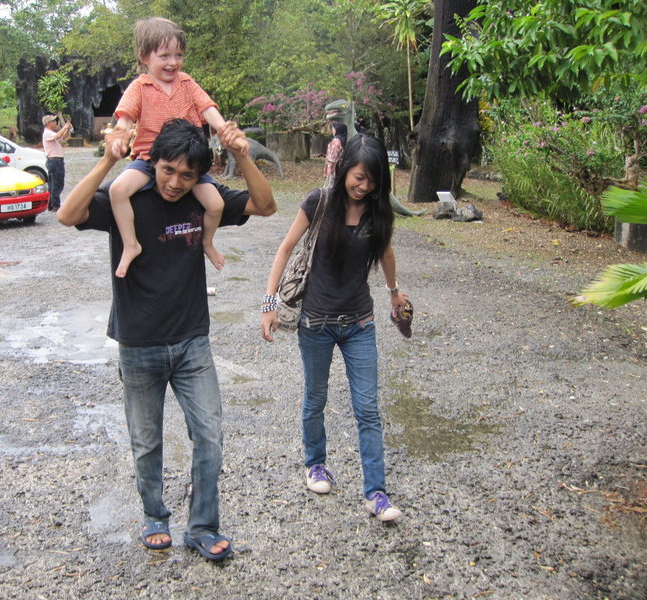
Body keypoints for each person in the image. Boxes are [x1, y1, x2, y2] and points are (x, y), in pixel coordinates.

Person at [57, 118, 276, 561]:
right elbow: (67, 214)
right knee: (147, 441)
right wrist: (106, 161)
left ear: (200, 176)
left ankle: (202, 526)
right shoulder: (129, 198)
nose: (175, 183)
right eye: (167, 171)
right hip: (138, 343)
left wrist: (242, 154)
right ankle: (155, 516)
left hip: (192, 341)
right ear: (153, 162)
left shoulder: (203, 200)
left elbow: (265, 205)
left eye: (187, 175)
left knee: (210, 437)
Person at [260, 133, 407, 522]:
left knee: (368, 409)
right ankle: (315, 464)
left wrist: (394, 292)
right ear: (344, 170)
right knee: (316, 399)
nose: (364, 186)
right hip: (316, 323)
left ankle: (376, 492)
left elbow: (386, 252)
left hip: (360, 323)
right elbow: (284, 248)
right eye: (359, 177)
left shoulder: (377, 213)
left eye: (373, 181)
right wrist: (269, 304)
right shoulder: (318, 202)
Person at [108, 16, 248, 278]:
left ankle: (207, 242)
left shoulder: (187, 83)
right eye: (164, 56)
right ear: (144, 57)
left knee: (216, 205)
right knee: (118, 190)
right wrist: (119, 139)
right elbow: (124, 120)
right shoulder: (139, 87)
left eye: (179, 55)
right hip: (151, 159)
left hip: (188, 162)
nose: (173, 62)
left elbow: (208, 110)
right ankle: (131, 244)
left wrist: (226, 132)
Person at [42, 114, 72, 211]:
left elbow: (63, 137)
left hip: (54, 161)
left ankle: (51, 204)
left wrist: (67, 129)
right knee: (57, 183)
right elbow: (58, 135)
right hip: (55, 160)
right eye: (53, 121)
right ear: (48, 123)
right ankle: (56, 204)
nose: (55, 123)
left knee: (52, 183)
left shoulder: (50, 133)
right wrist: (65, 127)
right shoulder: (47, 133)